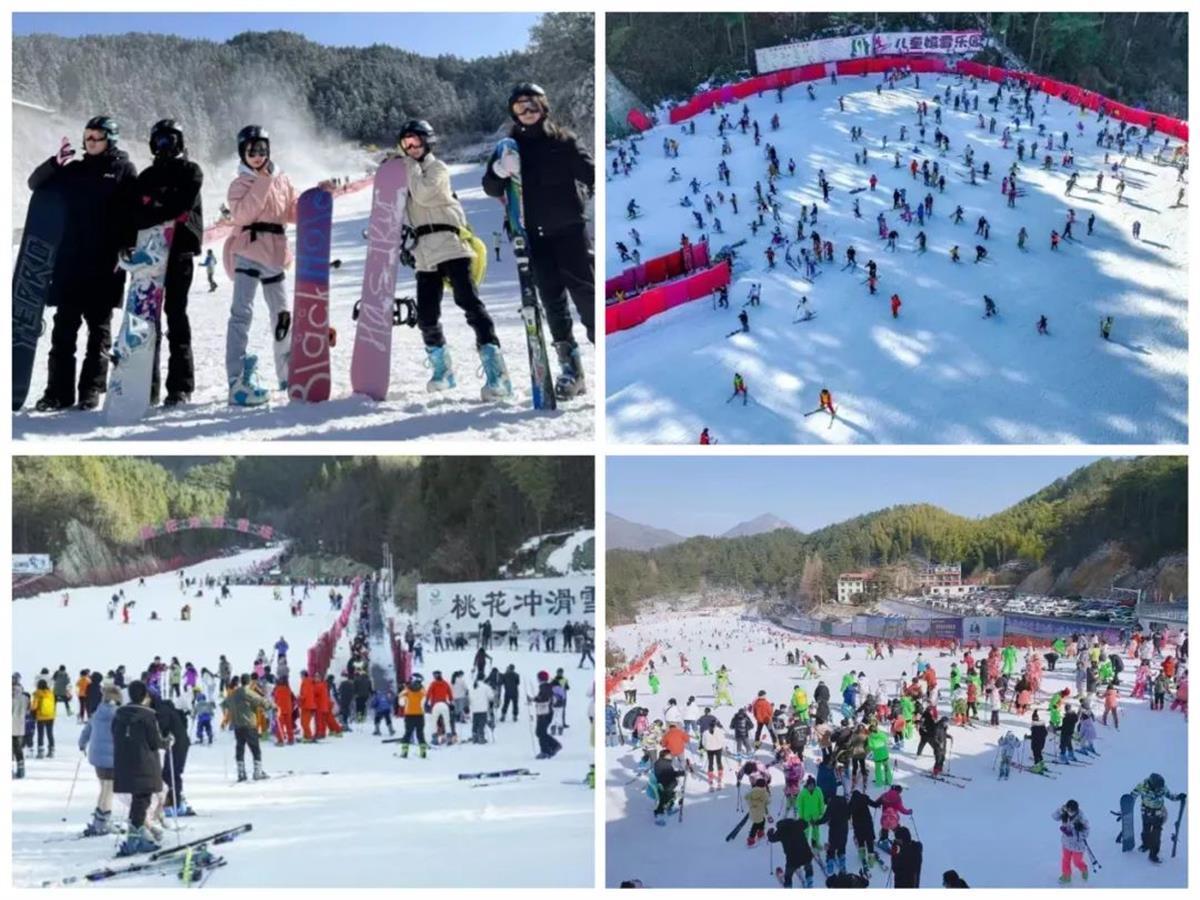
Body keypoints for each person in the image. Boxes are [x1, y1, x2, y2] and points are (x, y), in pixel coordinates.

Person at [482, 83, 594, 399]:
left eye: (531, 105)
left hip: (570, 232)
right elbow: (490, 188)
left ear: (543, 106)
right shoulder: (508, 147)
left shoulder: (563, 141)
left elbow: (592, 174)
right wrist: (499, 171)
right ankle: (571, 370)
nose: (526, 112)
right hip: (533, 238)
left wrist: (594, 200)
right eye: (519, 108)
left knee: (587, 297)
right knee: (552, 303)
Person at [28, 115, 137, 411]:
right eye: (87, 136)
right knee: (63, 330)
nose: (90, 142)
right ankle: (57, 393)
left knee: (98, 332)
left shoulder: (123, 171)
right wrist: (55, 163)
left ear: (110, 139)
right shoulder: (73, 170)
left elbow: (133, 215)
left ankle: (91, 390)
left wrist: (128, 247)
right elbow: (34, 184)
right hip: (70, 263)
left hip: (104, 264)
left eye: (97, 137)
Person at [397, 120, 510, 400]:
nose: (411, 149)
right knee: (426, 315)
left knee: (469, 303)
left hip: (451, 245)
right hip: (424, 252)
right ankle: (443, 371)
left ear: (428, 143)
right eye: (405, 144)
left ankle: (497, 373)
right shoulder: (408, 177)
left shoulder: (437, 169)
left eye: (416, 142)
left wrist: (407, 166)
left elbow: (423, 194)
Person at [222, 125, 299, 406]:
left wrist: (318, 199)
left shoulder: (283, 179)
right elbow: (243, 213)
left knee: (282, 316)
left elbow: (292, 211)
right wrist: (263, 181)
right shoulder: (240, 183)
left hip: (276, 255)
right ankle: (237, 379)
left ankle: (288, 374)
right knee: (241, 314)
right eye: (252, 151)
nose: (258, 156)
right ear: (243, 153)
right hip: (249, 252)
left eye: (262, 150)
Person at [131, 119, 203, 407]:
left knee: (175, 314)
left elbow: (182, 203)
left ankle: (180, 387)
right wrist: (161, 207)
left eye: (171, 140)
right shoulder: (147, 175)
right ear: (153, 143)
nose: (165, 145)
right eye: (160, 140)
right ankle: (146, 386)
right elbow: (137, 213)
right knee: (147, 319)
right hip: (150, 251)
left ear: (180, 142)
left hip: (180, 251)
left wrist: (155, 204)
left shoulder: (191, 170)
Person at [113, 680, 164, 855]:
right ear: (144, 696)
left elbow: (115, 735)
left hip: (124, 763)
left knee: (138, 801)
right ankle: (134, 840)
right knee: (142, 800)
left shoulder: (119, 715)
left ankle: (136, 837)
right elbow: (154, 742)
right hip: (144, 765)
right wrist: (166, 742)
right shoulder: (148, 716)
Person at [220, 673, 272, 782]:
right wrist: (271, 706)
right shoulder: (247, 691)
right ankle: (257, 773)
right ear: (248, 682)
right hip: (249, 724)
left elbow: (224, 704)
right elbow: (260, 700)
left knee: (240, 748)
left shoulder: (233, 694)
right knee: (255, 749)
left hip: (237, 725)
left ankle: (241, 773)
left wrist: (228, 718)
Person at [1131, 773, 1185, 864]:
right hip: (1146, 812)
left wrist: (1178, 797)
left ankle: (1153, 854)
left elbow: (1170, 796)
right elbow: (1133, 794)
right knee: (1146, 831)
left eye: (1161, 787)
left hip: (1158, 814)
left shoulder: (1163, 788)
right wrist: (1128, 803)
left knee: (1156, 835)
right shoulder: (1143, 786)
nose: (1160, 789)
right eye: (1158, 787)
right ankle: (1145, 845)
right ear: (1152, 784)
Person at [1053, 799, 1090, 884]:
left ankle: (1084, 869)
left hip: (1078, 846)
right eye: (1068, 810)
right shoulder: (1064, 813)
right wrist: (1060, 810)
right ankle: (1066, 876)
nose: (1069, 812)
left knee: (1077, 862)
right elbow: (1054, 817)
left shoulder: (1082, 818)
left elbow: (1087, 832)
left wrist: (1078, 831)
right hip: (1066, 843)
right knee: (1065, 860)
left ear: (1076, 810)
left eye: (1071, 811)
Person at [531, 670, 561, 759]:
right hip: (547, 712)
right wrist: (535, 698)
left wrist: (535, 699)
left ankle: (548, 749)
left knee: (540, 732)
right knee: (540, 732)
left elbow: (543, 698)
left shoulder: (544, 687)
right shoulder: (548, 686)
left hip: (544, 713)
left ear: (539, 678)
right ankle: (549, 748)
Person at [32, 678, 56, 758]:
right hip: (50, 716)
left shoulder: (37, 694)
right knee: (50, 733)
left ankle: (40, 752)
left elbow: (34, 706)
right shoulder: (51, 693)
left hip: (41, 717)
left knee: (40, 734)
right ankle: (51, 750)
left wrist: (32, 711)